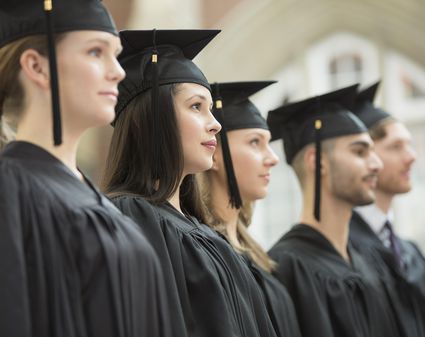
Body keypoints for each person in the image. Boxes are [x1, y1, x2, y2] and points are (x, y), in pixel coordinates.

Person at [0, 1, 172, 336]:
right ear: (36, 66)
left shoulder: (95, 198)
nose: (118, 71)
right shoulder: (10, 192)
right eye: (96, 52)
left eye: (116, 53)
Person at [102, 29, 278, 337]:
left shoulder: (205, 233)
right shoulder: (132, 217)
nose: (215, 124)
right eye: (197, 106)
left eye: (210, 108)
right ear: (151, 117)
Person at [267, 84, 404, 337]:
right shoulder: (284, 268)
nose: (376, 164)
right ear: (316, 162)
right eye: (360, 152)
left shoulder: (372, 261)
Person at [198, 81, 302, 337]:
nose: (273, 158)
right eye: (255, 142)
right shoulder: (200, 253)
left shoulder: (256, 255)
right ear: (214, 153)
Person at [350, 81, 425, 336]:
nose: (411, 156)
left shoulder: (409, 251)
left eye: (409, 144)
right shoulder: (344, 249)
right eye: (396, 146)